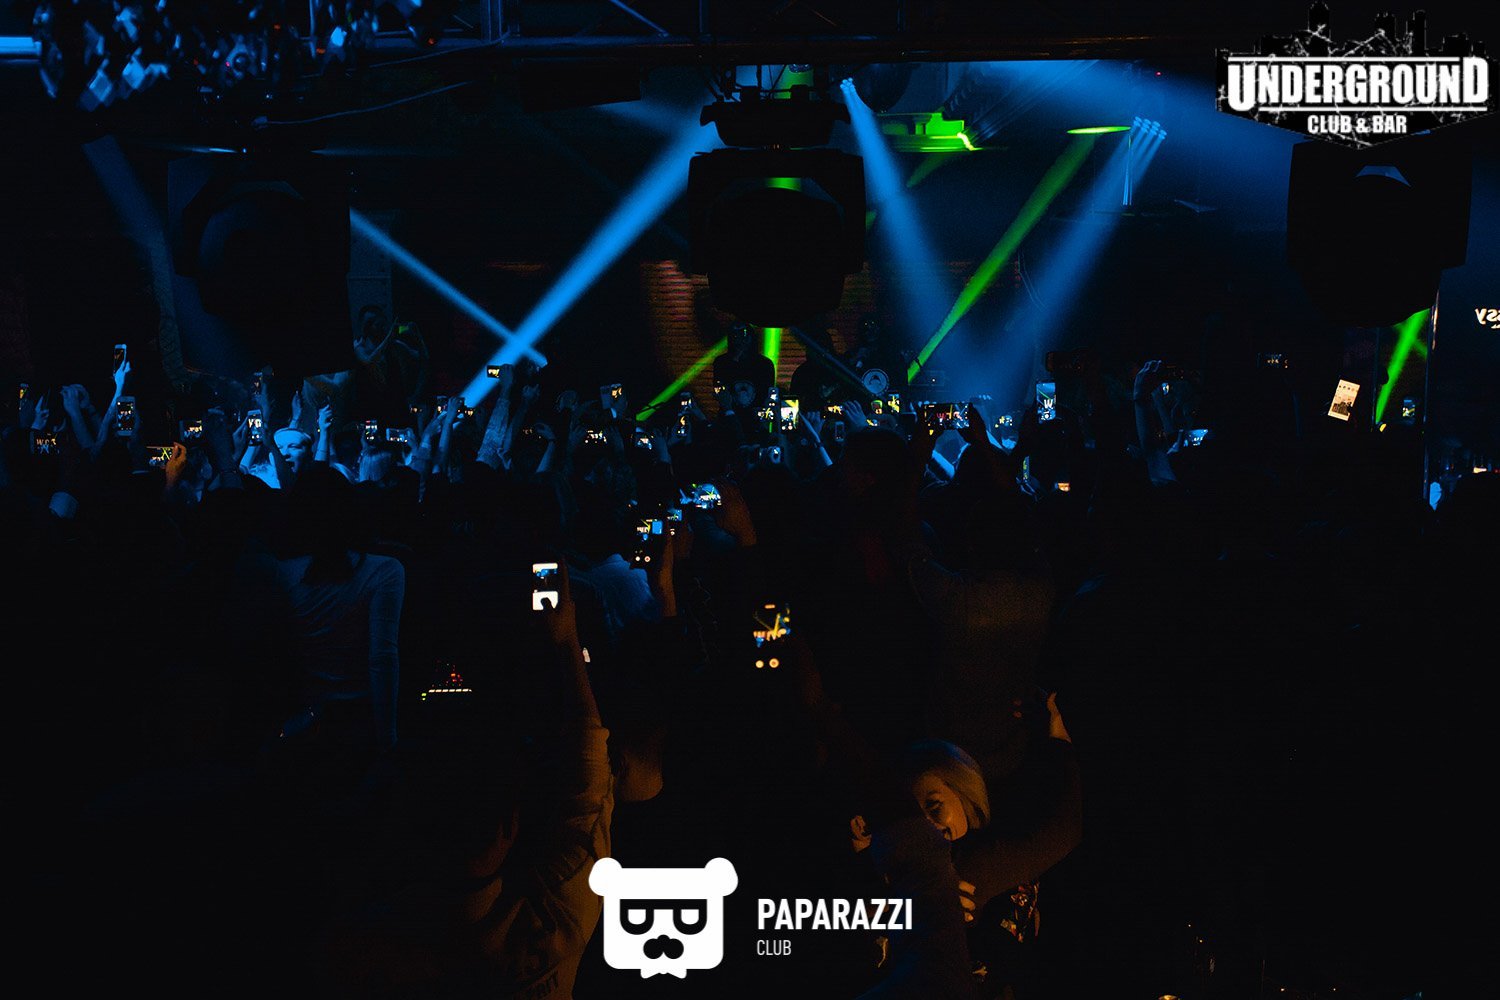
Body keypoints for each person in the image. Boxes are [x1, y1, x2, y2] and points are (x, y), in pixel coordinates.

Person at [713, 322, 776, 410]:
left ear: (751, 338)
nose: (740, 340)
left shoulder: (765, 364)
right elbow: (719, 390)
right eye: (735, 336)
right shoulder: (721, 363)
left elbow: (768, 393)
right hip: (729, 414)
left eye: (743, 336)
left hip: (756, 415)